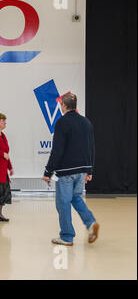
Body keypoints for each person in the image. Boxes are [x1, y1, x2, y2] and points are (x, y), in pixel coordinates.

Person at [42, 93, 99, 246]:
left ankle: (67, 237)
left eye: (61, 104)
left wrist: (48, 172)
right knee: (76, 198)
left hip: (66, 172)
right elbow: (91, 148)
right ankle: (91, 222)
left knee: (63, 203)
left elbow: (57, 150)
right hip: (82, 171)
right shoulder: (87, 122)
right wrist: (90, 170)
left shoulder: (62, 122)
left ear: (64, 106)